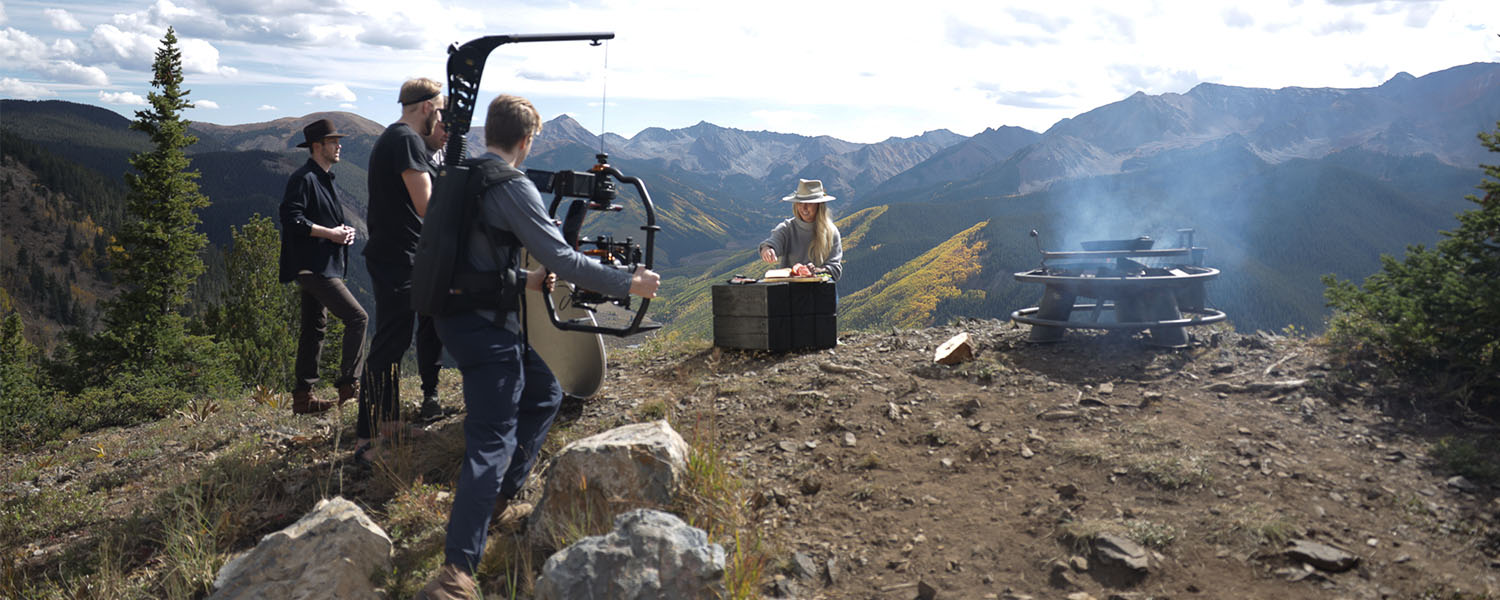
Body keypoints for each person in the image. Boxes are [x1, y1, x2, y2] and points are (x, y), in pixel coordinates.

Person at [417, 94, 661, 599]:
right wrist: (629, 282)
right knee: (492, 441)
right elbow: (566, 260)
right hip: (485, 327)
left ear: (491, 131)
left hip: (456, 317)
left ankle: (498, 502)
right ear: (527, 140)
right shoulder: (511, 185)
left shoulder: (460, 174)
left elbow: (469, 253)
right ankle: (455, 574)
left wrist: (523, 280)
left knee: (544, 392)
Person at [360, 77, 446, 457]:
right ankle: (367, 436)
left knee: (394, 342)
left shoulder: (395, 137)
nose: (439, 118)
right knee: (389, 344)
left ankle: (388, 422)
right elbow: (427, 204)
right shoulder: (407, 140)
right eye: (438, 111)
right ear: (427, 107)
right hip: (398, 255)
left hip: (394, 252)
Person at [278, 118, 367, 415]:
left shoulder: (321, 178)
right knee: (358, 318)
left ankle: (303, 399)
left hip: (320, 264)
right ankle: (349, 389)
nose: (339, 146)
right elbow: (291, 218)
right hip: (315, 266)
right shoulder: (304, 178)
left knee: (314, 328)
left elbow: (319, 220)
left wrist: (343, 232)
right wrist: (331, 234)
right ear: (317, 146)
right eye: (333, 142)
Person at [759, 178, 844, 281]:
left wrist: (817, 271)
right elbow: (772, 243)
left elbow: (835, 269)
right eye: (800, 203)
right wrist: (767, 249)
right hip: (790, 289)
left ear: (819, 205)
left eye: (809, 203)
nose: (803, 208)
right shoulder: (787, 228)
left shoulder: (831, 232)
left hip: (821, 289)